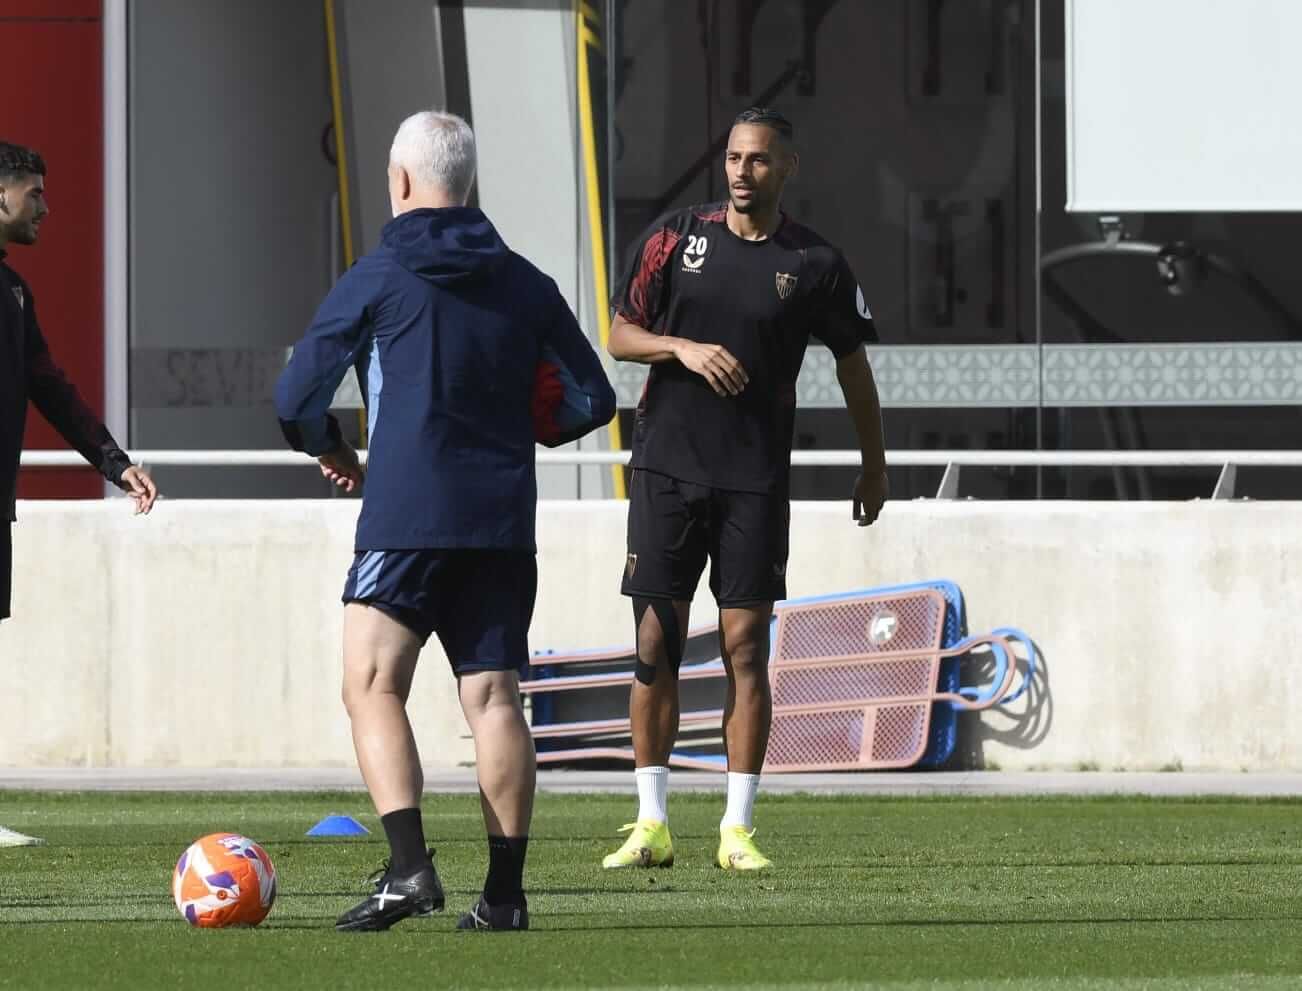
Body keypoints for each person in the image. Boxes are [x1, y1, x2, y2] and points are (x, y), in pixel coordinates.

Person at [275, 111, 616, 931]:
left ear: (399, 181)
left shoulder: (381, 272)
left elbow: (296, 397)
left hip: (407, 512)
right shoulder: (526, 281)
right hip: (500, 516)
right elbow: (592, 398)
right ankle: (503, 896)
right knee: (495, 698)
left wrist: (333, 448)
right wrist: (518, 424)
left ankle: (409, 868)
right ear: (468, 185)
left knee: (370, 681)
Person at [602, 107, 888, 872]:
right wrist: (683, 348)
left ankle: (737, 828)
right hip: (665, 469)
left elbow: (853, 364)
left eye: (758, 159)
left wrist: (874, 462)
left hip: (754, 482)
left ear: (786, 167)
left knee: (745, 649)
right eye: (732, 156)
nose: (740, 171)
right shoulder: (675, 237)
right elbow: (620, 332)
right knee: (654, 641)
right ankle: (651, 821)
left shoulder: (815, 263)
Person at [0, 142, 158, 848]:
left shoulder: (15, 294)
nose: (46, 207)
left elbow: (51, 388)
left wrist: (112, 460)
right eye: (34, 194)